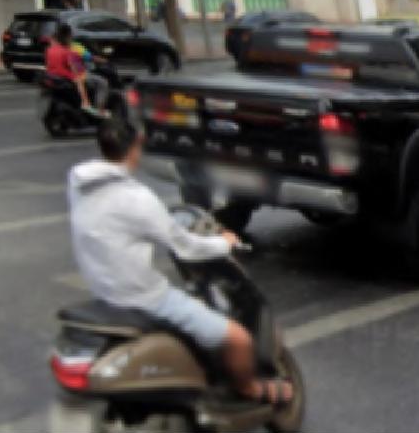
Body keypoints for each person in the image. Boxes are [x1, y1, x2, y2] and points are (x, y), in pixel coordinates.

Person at [66, 109, 290, 407]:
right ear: (137, 146)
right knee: (238, 339)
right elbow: (185, 247)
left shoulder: (78, 181)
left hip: (103, 292)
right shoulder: (137, 199)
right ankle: (249, 390)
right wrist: (223, 243)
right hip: (144, 298)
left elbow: (113, 226)